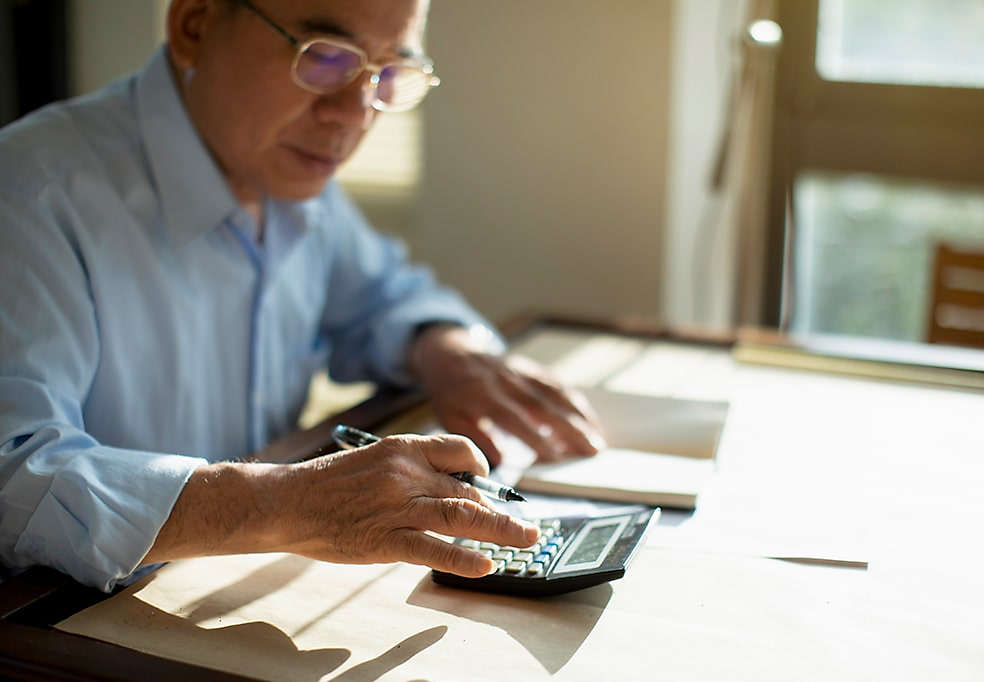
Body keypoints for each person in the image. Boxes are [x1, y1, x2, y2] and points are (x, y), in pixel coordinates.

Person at [0, 0, 605, 592]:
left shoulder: (286, 175)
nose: (354, 113)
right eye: (325, 59)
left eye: (387, 74)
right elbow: (14, 468)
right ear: (195, 24)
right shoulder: (30, 194)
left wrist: (447, 349)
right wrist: (283, 503)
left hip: (226, 597)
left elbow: (385, 297)